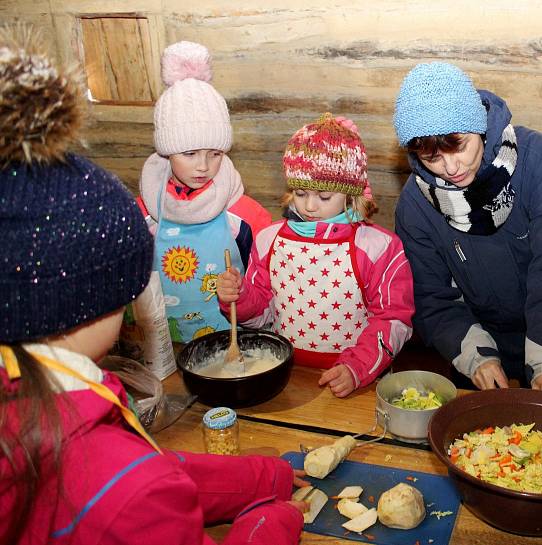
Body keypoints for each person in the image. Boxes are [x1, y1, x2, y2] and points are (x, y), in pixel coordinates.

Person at [0, 30, 306, 544]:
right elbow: (143, 485)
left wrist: (262, 477)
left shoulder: (37, 403)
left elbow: (150, 464)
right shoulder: (132, 494)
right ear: (103, 297)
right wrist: (273, 521)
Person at [393, 62, 542, 393]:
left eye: (460, 147)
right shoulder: (415, 205)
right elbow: (431, 296)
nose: (450, 168)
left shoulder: (540, 161)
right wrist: (475, 356)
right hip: (473, 340)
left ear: (479, 126)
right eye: (432, 159)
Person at [217, 114, 414, 397]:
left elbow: (394, 319)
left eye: (324, 197)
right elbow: (261, 315)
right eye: (300, 192)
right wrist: (239, 297)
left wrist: (356, 367)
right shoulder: (269, 240)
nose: (309, 206)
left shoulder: (378, 247)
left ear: (350, 194)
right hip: (284, 375)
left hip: (358, 378)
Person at [136, 41, 271, 343]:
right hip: (162, 348)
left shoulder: (248, 216)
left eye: (215, 154)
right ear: (167, 151)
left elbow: (264, 290)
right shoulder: (141, 214)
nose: (203, 166)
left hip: (232, 344)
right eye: (190, 153)